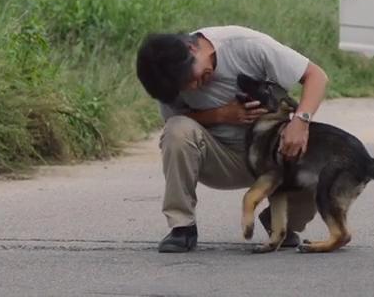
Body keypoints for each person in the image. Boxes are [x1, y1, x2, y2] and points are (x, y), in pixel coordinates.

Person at [134, 25, 329, 252]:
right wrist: (220, 115)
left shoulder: (245, 46)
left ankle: (278, 223)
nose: (194, 87)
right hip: (222, 158)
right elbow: (176, 119)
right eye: (185, 87)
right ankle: (182, 227)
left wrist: (301, 122)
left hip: (275, 155)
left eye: (192, 78)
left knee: (317, 156)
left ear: (190, 48)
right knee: (177, 130)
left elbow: (316, 76)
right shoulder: (169, 79)